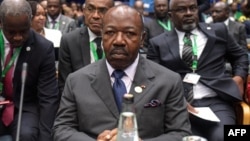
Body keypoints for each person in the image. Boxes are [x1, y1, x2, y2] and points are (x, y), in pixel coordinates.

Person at [53, 4, 191, 141]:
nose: (119, 41)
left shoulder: (168, 81)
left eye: (129, 33)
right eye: (110, 33)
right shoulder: (76, 81)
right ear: (102, 36)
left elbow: (181, 133)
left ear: (142, 39)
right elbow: (62, 129)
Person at [147, 0, 249, 141]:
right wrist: (175, 100)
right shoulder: (158, 43)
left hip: (217, 103)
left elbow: (241, 56)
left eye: (192, 8)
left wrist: (239, 77)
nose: (189, 13)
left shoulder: (219, 31)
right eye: (182, 9)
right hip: (179, 107)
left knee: (227, 136)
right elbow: (152, 79)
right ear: (171, 15)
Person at [0, 0, 59, 141]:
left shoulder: (44, 48)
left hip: (25, 106)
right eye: (11, 32)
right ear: (1, 24)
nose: (18, 37)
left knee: (26, 136)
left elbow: (48, 97)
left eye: (23, 31)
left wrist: (46, 137)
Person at [58, 0, 114, 95]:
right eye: (90, 9)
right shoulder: (70, 41)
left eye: (102, 10)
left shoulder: (120, 41)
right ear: (84, 11)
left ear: (113, 13)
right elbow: (65, 86)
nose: (95, 16)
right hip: (81, 102)